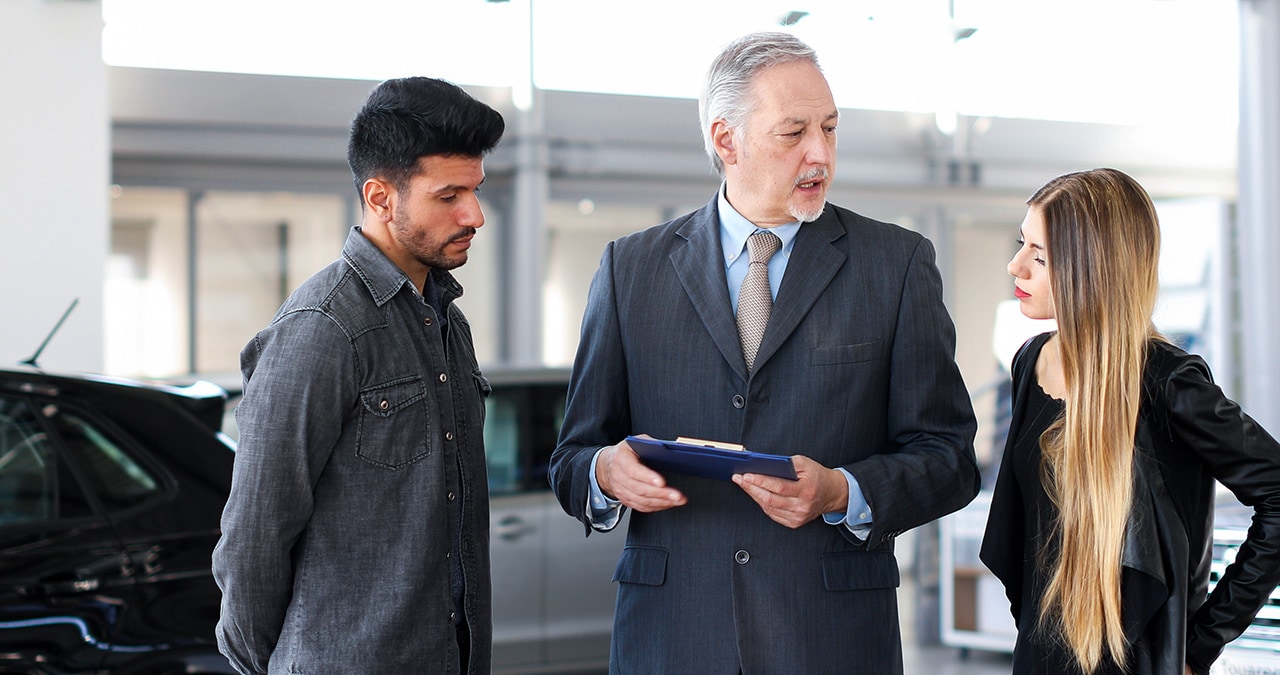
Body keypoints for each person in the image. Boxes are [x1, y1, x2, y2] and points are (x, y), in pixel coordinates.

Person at [548, 32, 980, 674]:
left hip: (830, 641)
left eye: (830, 130)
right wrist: (605, 474)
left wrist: (843, 490)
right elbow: (572, 458)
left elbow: (947, 459)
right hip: (672, 640)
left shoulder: (896, 265)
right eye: (794, 132)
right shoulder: (630, 269)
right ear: (727, 140)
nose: (820, 154)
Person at [212, 77, 504, 674]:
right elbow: (254, 538)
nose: (474, 214)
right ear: (380, 197)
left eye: (475, 191)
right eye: (449, 196)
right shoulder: (322, 329)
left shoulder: (448, 321)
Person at [980, 167, 1280, 675]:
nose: (1015, 266)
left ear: (1093, 267)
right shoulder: (1031, 361)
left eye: (1040, 255)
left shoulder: (1167, 380)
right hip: (1041, 656)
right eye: (1021, 244)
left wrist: (1199, 645)